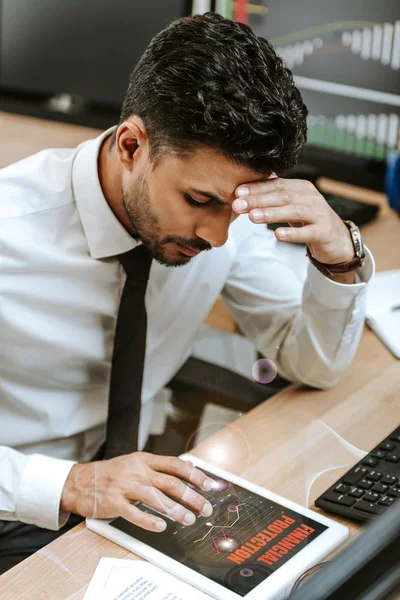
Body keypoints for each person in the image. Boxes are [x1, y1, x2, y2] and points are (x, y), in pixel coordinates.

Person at [0, 12, 374, 573]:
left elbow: (312, 365)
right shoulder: (10, 231)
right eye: (199, 200)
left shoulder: (228, 215)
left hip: (134, 493)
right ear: (131, 145)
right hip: (18, 504)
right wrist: (71, 484)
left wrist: (338, 257)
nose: (219, 235)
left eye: (236, 207)